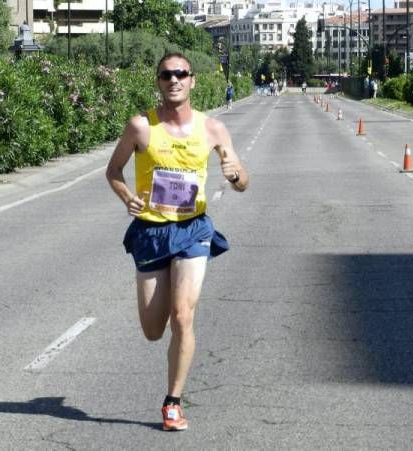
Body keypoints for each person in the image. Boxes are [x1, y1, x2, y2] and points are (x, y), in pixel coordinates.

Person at [106, 52, 249, 432]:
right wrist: (126, 196)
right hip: (152, 232)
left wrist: (235, 176)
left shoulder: (214, 129)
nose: (175, 80)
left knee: (183, 316)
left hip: (192, 229)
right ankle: (165, 319)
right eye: (167, 75)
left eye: (181, 74)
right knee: (154, 330)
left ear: (192, 81)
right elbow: (113, 170)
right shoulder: (140, 127)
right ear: (158, 82)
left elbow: (243, 181)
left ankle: (173, 402)